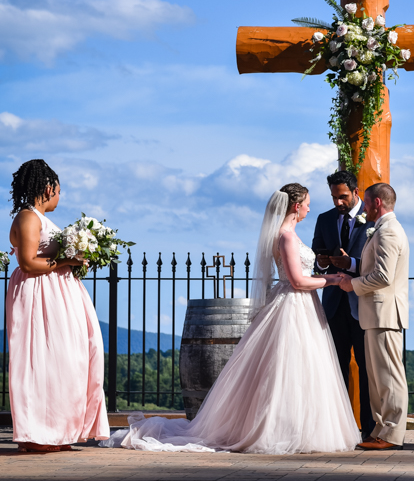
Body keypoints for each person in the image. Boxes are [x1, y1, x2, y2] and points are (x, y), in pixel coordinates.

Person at [101, 184, 360, 454]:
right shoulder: (286, 237)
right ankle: (282, 429)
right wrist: (331, 279)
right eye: (306, 203)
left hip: (302, 305)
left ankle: (298, 426)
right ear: (296, 206)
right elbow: (296, 281)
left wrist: (319, 267)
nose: (309, 207)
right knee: (287, 368)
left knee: (301, 369)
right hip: (293, 305)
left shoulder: (287, 235)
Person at [7, 159, 109, 453]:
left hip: (55, 295)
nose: (59, 197)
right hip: (38, 295)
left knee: (64, 363)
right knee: (41, 361)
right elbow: (27, 263)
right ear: (48, 187)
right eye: (59, 191)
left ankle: (56, 431)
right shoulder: (29, 218)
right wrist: (67, 260)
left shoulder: (38, 217)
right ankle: (36, 435)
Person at [340, 183, 409, 451]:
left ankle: (391, 433)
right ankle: (380, 429)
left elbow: (383, 276)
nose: (364, 207)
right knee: (378, 377)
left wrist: (353, 285)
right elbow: (375, 267)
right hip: (375, 314)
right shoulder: (382, 230)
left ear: (377, 203)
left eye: (366, 203)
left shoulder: (389, 231)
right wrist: (352, 267)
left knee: (389, 376)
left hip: (385, 313)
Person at [312, 170, 374, 439]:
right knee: (334, 368)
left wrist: (349, 264)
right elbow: (317, 256)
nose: (338, 202)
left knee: (366, 367)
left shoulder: (372, 220)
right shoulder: (324, 219)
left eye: (343, 197)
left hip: (363, 305)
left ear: (355, 192)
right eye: (334, 197)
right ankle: (338, 429)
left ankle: (369, 429)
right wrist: (324, 263)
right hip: (334, 305)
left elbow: (375, 264)